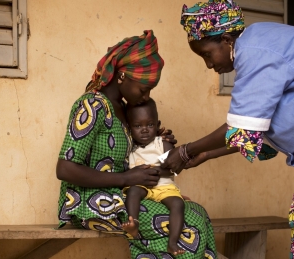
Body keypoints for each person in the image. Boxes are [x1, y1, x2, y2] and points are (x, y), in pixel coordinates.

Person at [161, 1, 294, 258]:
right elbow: (258, 128)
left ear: (226, 39)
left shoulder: (254, 49)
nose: (209, 65)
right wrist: (206, 155)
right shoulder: (262, 41)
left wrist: (185, 151)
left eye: (207, 55)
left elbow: (242, 126)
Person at [56, 30, 217, 258]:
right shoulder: (92, 105)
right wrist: (126, 179)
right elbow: (64, 169)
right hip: (91, 201)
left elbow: (129, 156)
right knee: (190, 223)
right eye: (143, 89)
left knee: (196, 212)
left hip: (126, 194)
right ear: (122, 76)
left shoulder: (123, 109)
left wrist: (158, 141)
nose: (146, 95)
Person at [121, 98, 185, 256]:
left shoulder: (162, 144)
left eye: (149, 125)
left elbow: (172, 168)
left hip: (164, 187)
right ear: (129, 128)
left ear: (157, 125)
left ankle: (172, 242)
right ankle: (133, 223)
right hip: (141, 187)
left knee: (178, 203)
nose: (144, 130)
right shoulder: (129, 147)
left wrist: (152, 172)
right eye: (138, 126)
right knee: (133, 192)